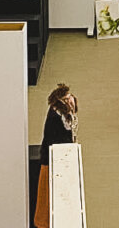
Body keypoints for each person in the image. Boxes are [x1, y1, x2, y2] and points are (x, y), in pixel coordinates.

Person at [34, 83, 78, 228]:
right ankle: (43, 222)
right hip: (52, 160)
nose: (71, 99)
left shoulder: (64, 113)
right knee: (46, 194)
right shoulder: (55, 116)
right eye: (67, 98)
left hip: (61, 156)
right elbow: (55, 140)